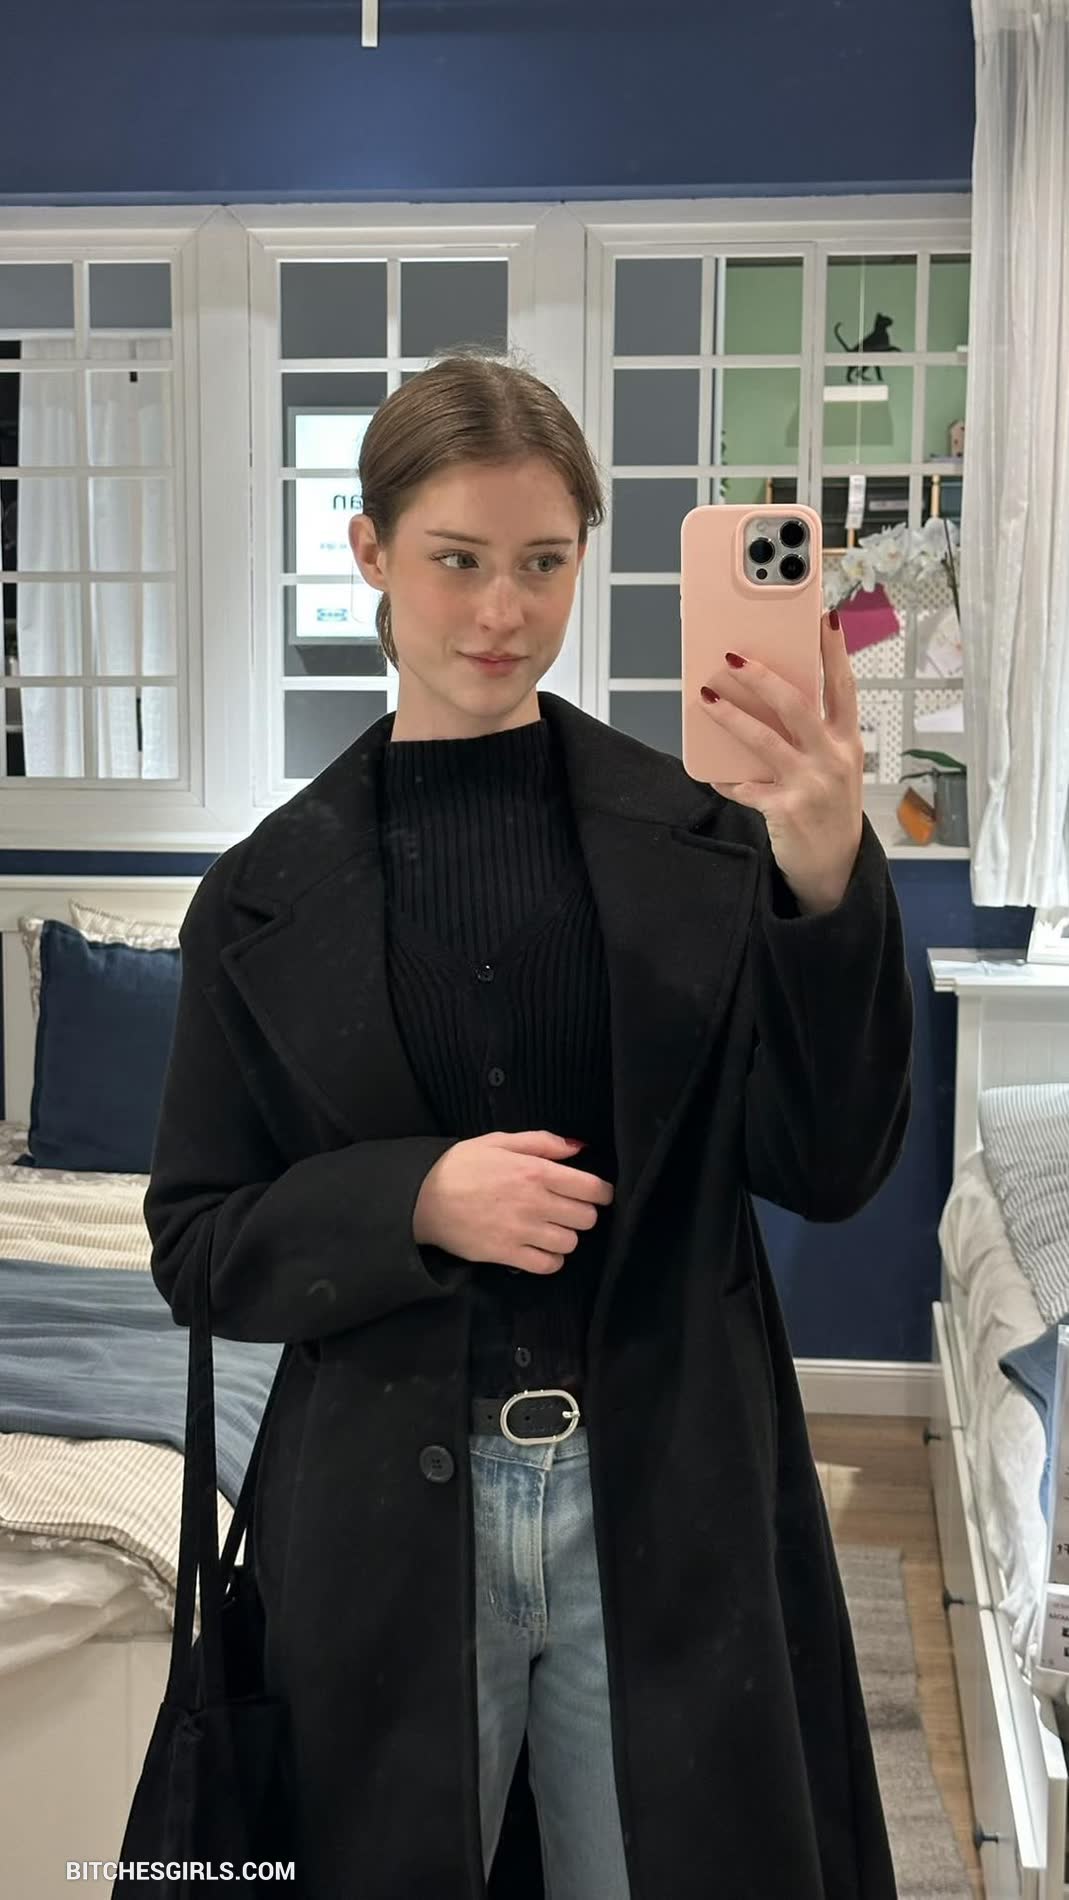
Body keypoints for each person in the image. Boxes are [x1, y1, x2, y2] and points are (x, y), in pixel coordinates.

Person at [145, 349, 913, 1900]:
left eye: (544, 563)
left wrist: (829, 874)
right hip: (380, 1521)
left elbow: (828, 1168)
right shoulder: (256, 898)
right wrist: (413, 1202)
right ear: (369, 552)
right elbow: (198, 1247)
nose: (502, 612)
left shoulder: (710, 840)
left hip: (666, 1495)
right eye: (458, 560)